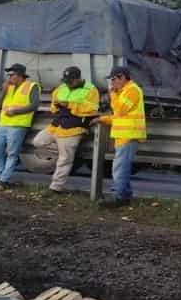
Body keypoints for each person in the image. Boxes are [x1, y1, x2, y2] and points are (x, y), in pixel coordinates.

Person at [30, 66, 100, 194]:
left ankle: (55, 188)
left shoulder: (91, 89)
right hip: (58, 124)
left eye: (70, 81)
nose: (67, 83)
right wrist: (55, 106)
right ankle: (67, 153)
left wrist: (69, 105)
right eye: (66, 80)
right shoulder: (62, 87)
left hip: (74, 127)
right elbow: (54, 102)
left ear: (78, 79)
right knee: (38, 141)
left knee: (64, 160)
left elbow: (92, 109)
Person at [92, 66, 146, 207]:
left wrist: (112, 94)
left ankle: (118, 197)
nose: (112, 83)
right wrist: (102, 119)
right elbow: (118, 116)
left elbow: (120, 110)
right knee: (122, 167)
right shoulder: (124, 92)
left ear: (122, 77)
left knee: (119, 167)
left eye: (113, 79)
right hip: (124, 135)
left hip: (129, 135)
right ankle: (125, 195)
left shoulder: (132, 90)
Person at [0, 63, 41, 189]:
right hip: (4, 124)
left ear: (19, 75)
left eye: (11, 74)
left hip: (19, 125)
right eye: (9, 75)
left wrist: (16, 111)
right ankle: (2, 176)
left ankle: (3, 180)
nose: (9, 77)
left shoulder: (31, 86)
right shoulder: (9, 87)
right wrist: (4, 90)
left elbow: (34, 105)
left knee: (12, 153)